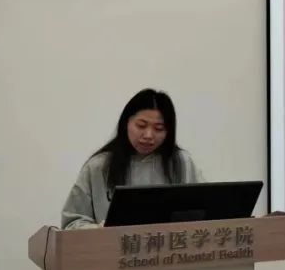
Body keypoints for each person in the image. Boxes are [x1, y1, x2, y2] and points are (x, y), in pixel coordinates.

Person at [61, 88, 204, 229]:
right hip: (112, 243)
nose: (148, 135)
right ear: (126, 123)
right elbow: (71, 223)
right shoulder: (99, 166)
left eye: (158, 128)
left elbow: (207, 213)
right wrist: (99, 230)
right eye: (141, 125)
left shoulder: (183, 163)